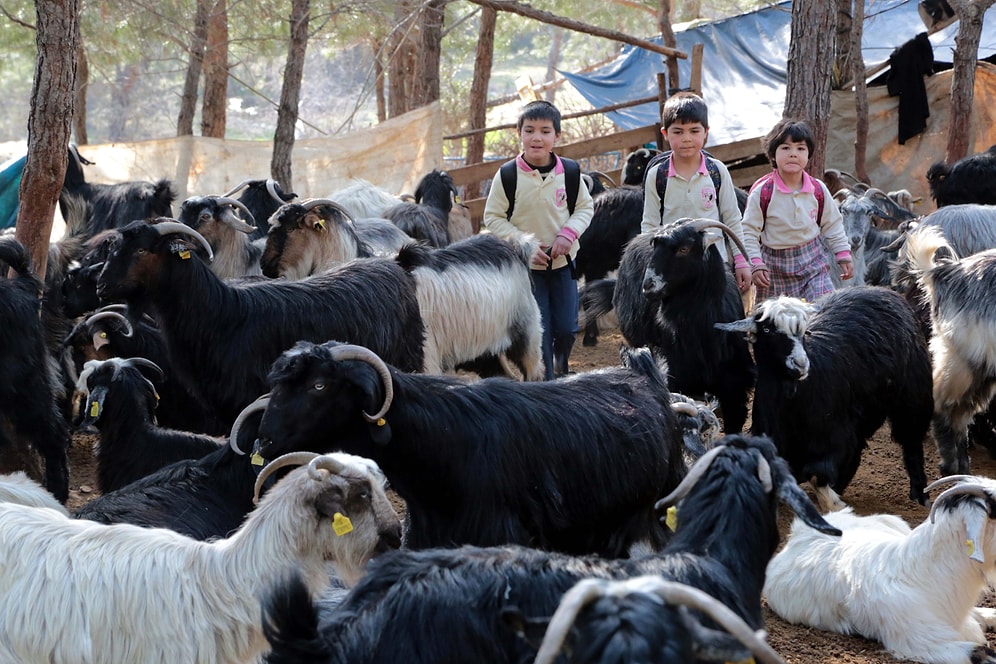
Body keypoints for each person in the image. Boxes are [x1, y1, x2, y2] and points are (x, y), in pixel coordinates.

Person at [483, 100, 594, 380]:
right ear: (518, 132)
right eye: (529, 130)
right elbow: (493, 218)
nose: (536, 138)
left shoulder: (569, 172)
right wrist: (524, 244)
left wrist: (568, 235)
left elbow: (584, 207)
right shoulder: (508, 175)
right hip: (527, 271)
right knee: (538, 330)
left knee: (567, 328)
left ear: (557, 136)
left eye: (545, 131)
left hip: (563, 265)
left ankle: (560, 364)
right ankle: (548, 384)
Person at [640, 92, 752, 294]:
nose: (686, 139)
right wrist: (650, 265)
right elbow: (650, 225)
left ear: (705, 133)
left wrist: (742, 261)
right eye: (678, 132)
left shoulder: (716, 171)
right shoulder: (657, 176)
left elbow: (732, 219)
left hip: (714, 263)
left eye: (694, 131)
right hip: (673, 270)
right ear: (665, 134)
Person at [741, 119, 853, 303]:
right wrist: (756, 263)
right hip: (773, 269)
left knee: (823, 310)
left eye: (800, 149)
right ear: (772, 154)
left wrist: (843, 254)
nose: (793, 154)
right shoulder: (764, 192)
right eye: (785, 148)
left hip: (813, 265)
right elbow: (749, 232)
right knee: (775, 323)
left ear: (808, 155)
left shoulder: (818, 190)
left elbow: (832, 224)